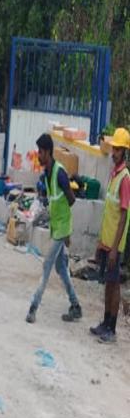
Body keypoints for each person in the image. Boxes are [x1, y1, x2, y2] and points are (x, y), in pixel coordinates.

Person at [26, 133, 81, 323]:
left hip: (61, 228)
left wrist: (65, 227)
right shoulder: (47, 175)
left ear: (48, 152)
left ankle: (33, 308)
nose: (38, 155)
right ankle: (75, 305)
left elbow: (71, 199)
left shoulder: (59, 173)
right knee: (61, 268)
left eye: (40, 152)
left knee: (47, 264)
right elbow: (54, 202)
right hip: (57, 227)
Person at [90, 126, 130, 343]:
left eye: (116, 149)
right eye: (113, 148)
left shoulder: (125, 179)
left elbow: (124, 216)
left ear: (124, 151)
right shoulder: (114, 175)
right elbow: (109, 213)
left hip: (115, 244)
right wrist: (101, 242)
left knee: (114, 286)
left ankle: (111, 329)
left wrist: (115, 247)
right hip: (106, 242)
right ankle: (105, 322)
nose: (113, 152)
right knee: (108, 283)